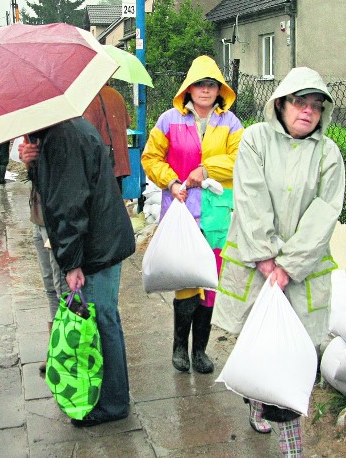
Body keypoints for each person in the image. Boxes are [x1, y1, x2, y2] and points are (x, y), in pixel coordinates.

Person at [220, 67, 345, 456]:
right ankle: (257, 405)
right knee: (259, 346)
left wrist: (288, 265)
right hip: (258, 268)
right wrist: (265, 258)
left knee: (293, 360)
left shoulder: (328, 154)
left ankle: (292, 449)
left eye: (315, 106)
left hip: (301, 275)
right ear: (281, 104)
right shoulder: (255, 140)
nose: (307, 111)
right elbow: (250, 200)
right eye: (299, 102)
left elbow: (324, 214)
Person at [19, 117, 135, 427]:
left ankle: (112, 404)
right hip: (100, 240)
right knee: (106, 319)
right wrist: (34, 163)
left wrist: (71, 263)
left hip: (96, 246)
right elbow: (58, 189)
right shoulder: (60, 131)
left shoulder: (62, 137)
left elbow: (68, 203)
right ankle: (114, 397)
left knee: (102, 321)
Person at [141, 55, 243, 374]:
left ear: (219, 90)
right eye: (199, 84)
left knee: (209, 284)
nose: (205, 90)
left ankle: (200, 350)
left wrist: (208, 168)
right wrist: (171, 181)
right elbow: (150, 157)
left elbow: (242, 158)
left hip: (216, 217)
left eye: (211, 85)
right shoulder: (168, 120)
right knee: (186, 281)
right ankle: (179, 348)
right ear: (189, 88)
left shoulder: (231, 123)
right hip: (182, 211)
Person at [18, 137, 68, 374]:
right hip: (38, 218)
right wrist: (29, 162)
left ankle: (65, 351)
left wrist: (41, 158)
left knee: (61, 288)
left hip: (54, 219)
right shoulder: (33, 134)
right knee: (49, 286)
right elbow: (35, 178)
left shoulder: (61, 134)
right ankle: (55, 348)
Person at [82, 83, 132, 192]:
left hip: (100, 161)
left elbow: (86, 129)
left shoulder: (90, 98)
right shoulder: (117, 95)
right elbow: (128, 122)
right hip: (118, 158)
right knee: (115, 198)